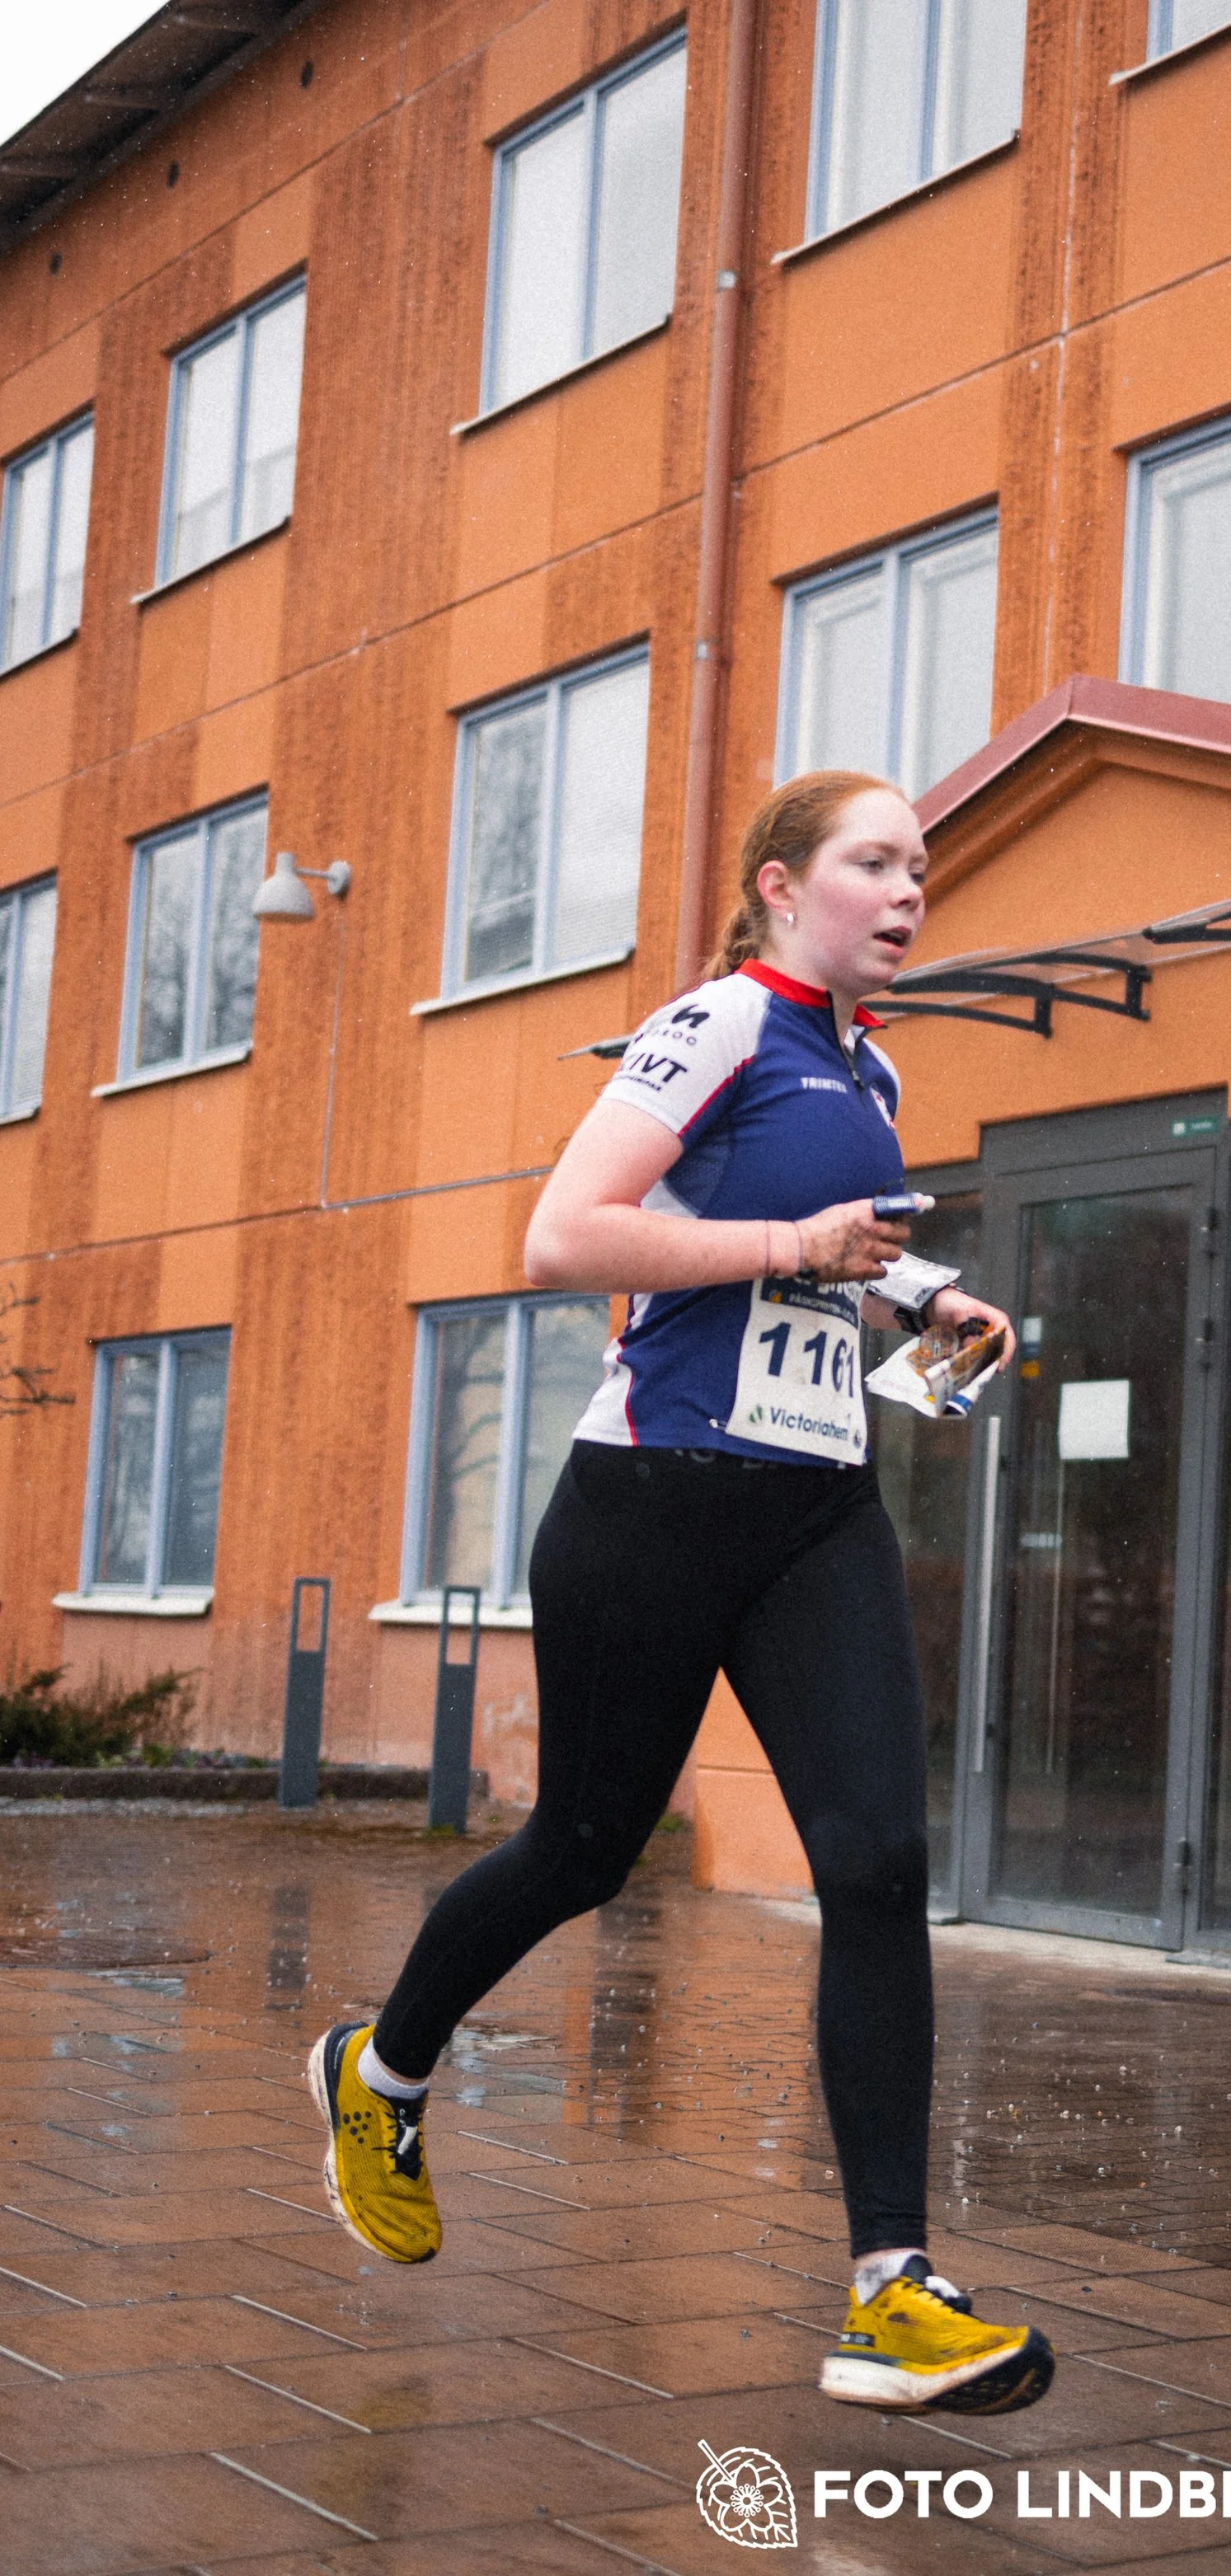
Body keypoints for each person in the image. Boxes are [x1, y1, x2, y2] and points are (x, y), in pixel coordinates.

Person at [306, 772, 1054, 2416]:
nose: (910, 889)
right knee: (583, 1849)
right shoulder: (717, 1022)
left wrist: (930, 1297)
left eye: (921, 867)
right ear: (782, 886)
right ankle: (383, 2064)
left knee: (878, 1864)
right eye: (875, 862)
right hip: (652, 1501)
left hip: (816, 1508)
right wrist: (797, 1244)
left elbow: (825, 1256)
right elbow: (566, 1237)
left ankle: (892, 2289)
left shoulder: (869, 1063)